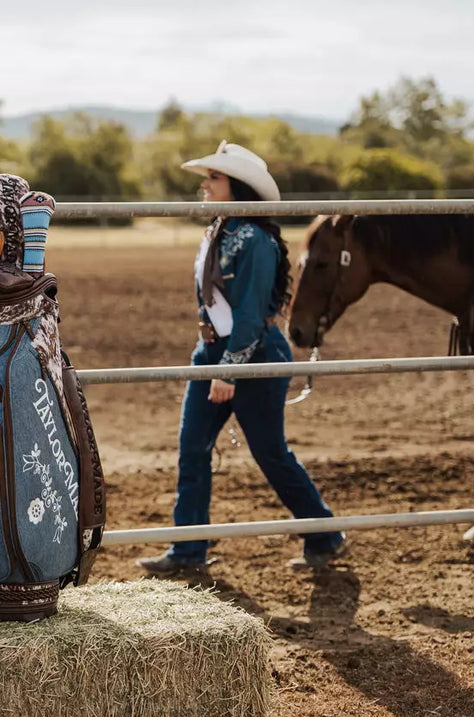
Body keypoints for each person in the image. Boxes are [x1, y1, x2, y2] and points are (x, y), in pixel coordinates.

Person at [136, 141, 347, 578]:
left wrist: (231, 367)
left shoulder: (254, 240)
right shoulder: (218, 228)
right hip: (210, 351)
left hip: (253, 354)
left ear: (238, 187)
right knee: (192, 446)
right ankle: (188, 549)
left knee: (270, 453)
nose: (205, 184)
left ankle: (324, 533)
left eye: (214, 178)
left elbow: (250, 311)